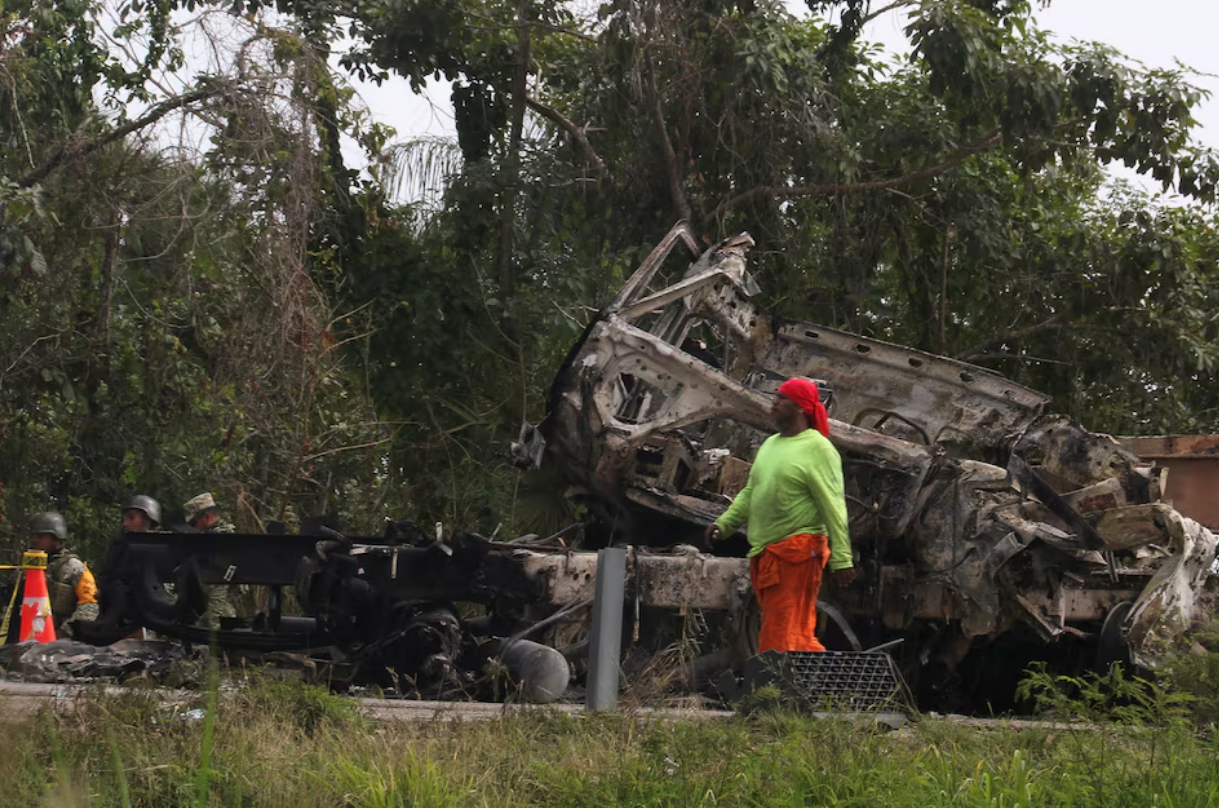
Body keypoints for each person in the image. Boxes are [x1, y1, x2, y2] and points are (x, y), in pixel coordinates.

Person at [705, 378, 855, 653]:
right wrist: (725, 523)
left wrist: (842, 559)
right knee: (790, 633)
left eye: (782, 398)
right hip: (767, 554)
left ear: (801, 408)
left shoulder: (819, 448)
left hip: (798, 552)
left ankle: (777, 693)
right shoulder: (771, 444)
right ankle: (807, 691)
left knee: (783, 635)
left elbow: (834, 506)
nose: (774, 402)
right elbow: (752, 491)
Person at [27, 512, 99, 636]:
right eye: (33, 536)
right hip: (28, 634)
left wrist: (64, 632)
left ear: (56, 538)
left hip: (62, 641)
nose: (35, 540)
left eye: (40, 536)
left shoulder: (74, 567)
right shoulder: (28, 565)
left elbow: (90, 606)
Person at [182, 492, 237, 626]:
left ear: (206, 517)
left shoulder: (219, 539)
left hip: (219, 588)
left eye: (194, 522)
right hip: (217, 592)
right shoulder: (220, 535)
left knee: (215, 621)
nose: (193, 528)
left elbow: (219, 585)